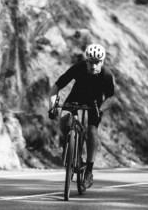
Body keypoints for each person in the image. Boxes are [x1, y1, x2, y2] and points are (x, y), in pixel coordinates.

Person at [48, 43, 115, 188]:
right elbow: (56, 87)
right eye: (91, 62)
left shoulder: (106, 74)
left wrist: (101, 110)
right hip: (76, 97)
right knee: (64, 119)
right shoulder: (78, 68)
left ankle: (89, 171)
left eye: (97, 63)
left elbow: (110, 97)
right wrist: (52, 106)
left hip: (95, 103)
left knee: (92, 131)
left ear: (102, 62)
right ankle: (69, 143)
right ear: (86, 61)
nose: (93, 66)